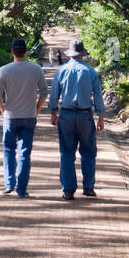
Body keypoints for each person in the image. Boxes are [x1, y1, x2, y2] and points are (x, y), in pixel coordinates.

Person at [48, 38, 105, 200]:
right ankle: (88, 187)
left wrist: (53, 112)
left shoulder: (61, 71)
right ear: (83, 54)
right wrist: (100, 117)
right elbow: (98, 96)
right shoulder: (90, 72)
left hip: (66, 115)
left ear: (70, 54)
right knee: (88, 152)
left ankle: (68, 189)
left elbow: (54, 95)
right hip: (85, 116)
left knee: (66, 153)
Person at [0, 37, 48, 198]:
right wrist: (37, 109)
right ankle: (22, 189)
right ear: (26, 51)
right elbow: (44, 93)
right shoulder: (36, 69)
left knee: (9, 150)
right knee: (25, 152)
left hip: (10, 116)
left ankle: (9, 184)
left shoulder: (4, 70)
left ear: (12, 51)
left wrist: (3, 111)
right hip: (29, 116)